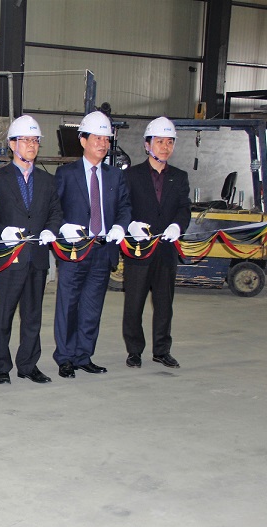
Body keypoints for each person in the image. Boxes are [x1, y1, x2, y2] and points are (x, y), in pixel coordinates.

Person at [53, 110, 131, 378]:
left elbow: (124, 207)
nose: (103, 143)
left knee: (91, 307)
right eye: (97, 138)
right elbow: (54, 209)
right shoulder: (66, 174)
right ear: (83, 140)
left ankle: (83, 355)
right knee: (68, 305)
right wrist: (63, 227)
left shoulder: (115, 176)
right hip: (75, 251)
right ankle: (65, 357)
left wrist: (120, 226)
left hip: (102, 250)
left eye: (106, 139)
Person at [0, 116, 63, 385]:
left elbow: (55, 211)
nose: (31, 145)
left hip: (36, 258)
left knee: (32, 316)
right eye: (25, 140)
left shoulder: (46, 180)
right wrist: (1, 231)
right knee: (2, 315)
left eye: (35, 141)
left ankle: (28, 364)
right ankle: (0, 366)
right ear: (12, 144)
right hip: (7, 259)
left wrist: (51, 230)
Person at [123, 117, 191, 369]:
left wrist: (177, 226)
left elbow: (184, 208)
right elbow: (123, 207)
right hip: (138, 250)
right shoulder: (131, 176)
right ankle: (134, 351)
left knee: (164, 304)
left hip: (166, 252)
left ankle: (162, 350)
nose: (165, 147)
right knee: (134, 304)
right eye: (160, 141)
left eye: (169, 142)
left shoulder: (179, 177)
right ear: (147, 145)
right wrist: (130, 225)